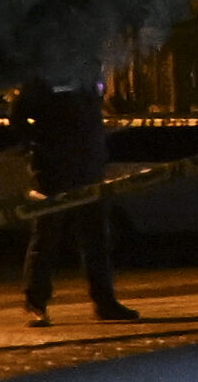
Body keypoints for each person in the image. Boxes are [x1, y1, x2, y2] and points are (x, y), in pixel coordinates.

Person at [11, 73, 142, 324]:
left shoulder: (87, 73)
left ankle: (105, 302)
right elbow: (18, 116)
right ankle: (36, 302)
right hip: (54, 168)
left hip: (88, 166)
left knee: (95, 236)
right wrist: (40, 147)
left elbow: (94, 114)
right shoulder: (46, 73)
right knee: (47, 234)